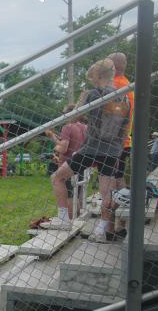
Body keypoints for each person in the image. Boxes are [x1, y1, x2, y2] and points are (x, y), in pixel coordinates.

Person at [42, 59, 130, 242]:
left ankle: (63, 218)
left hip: (91, 148)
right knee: (107, 191)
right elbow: (125, 127)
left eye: (92, 78)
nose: (91, 82)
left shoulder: (94, 93)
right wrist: (118, 147)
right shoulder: (124, 97)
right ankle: (101, 230)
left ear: (97, 76)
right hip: (113, 150)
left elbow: (74, 117)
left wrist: (81, 99)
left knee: (57, 177)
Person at [108, 52, 135, 181]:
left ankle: (113, 200)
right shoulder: (125, 83)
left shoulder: (116, 85)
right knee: (117, 176)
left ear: (115, 65)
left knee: (111, 177)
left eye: (108, 61)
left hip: (114, 140)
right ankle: (117, 199)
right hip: (121, 140)